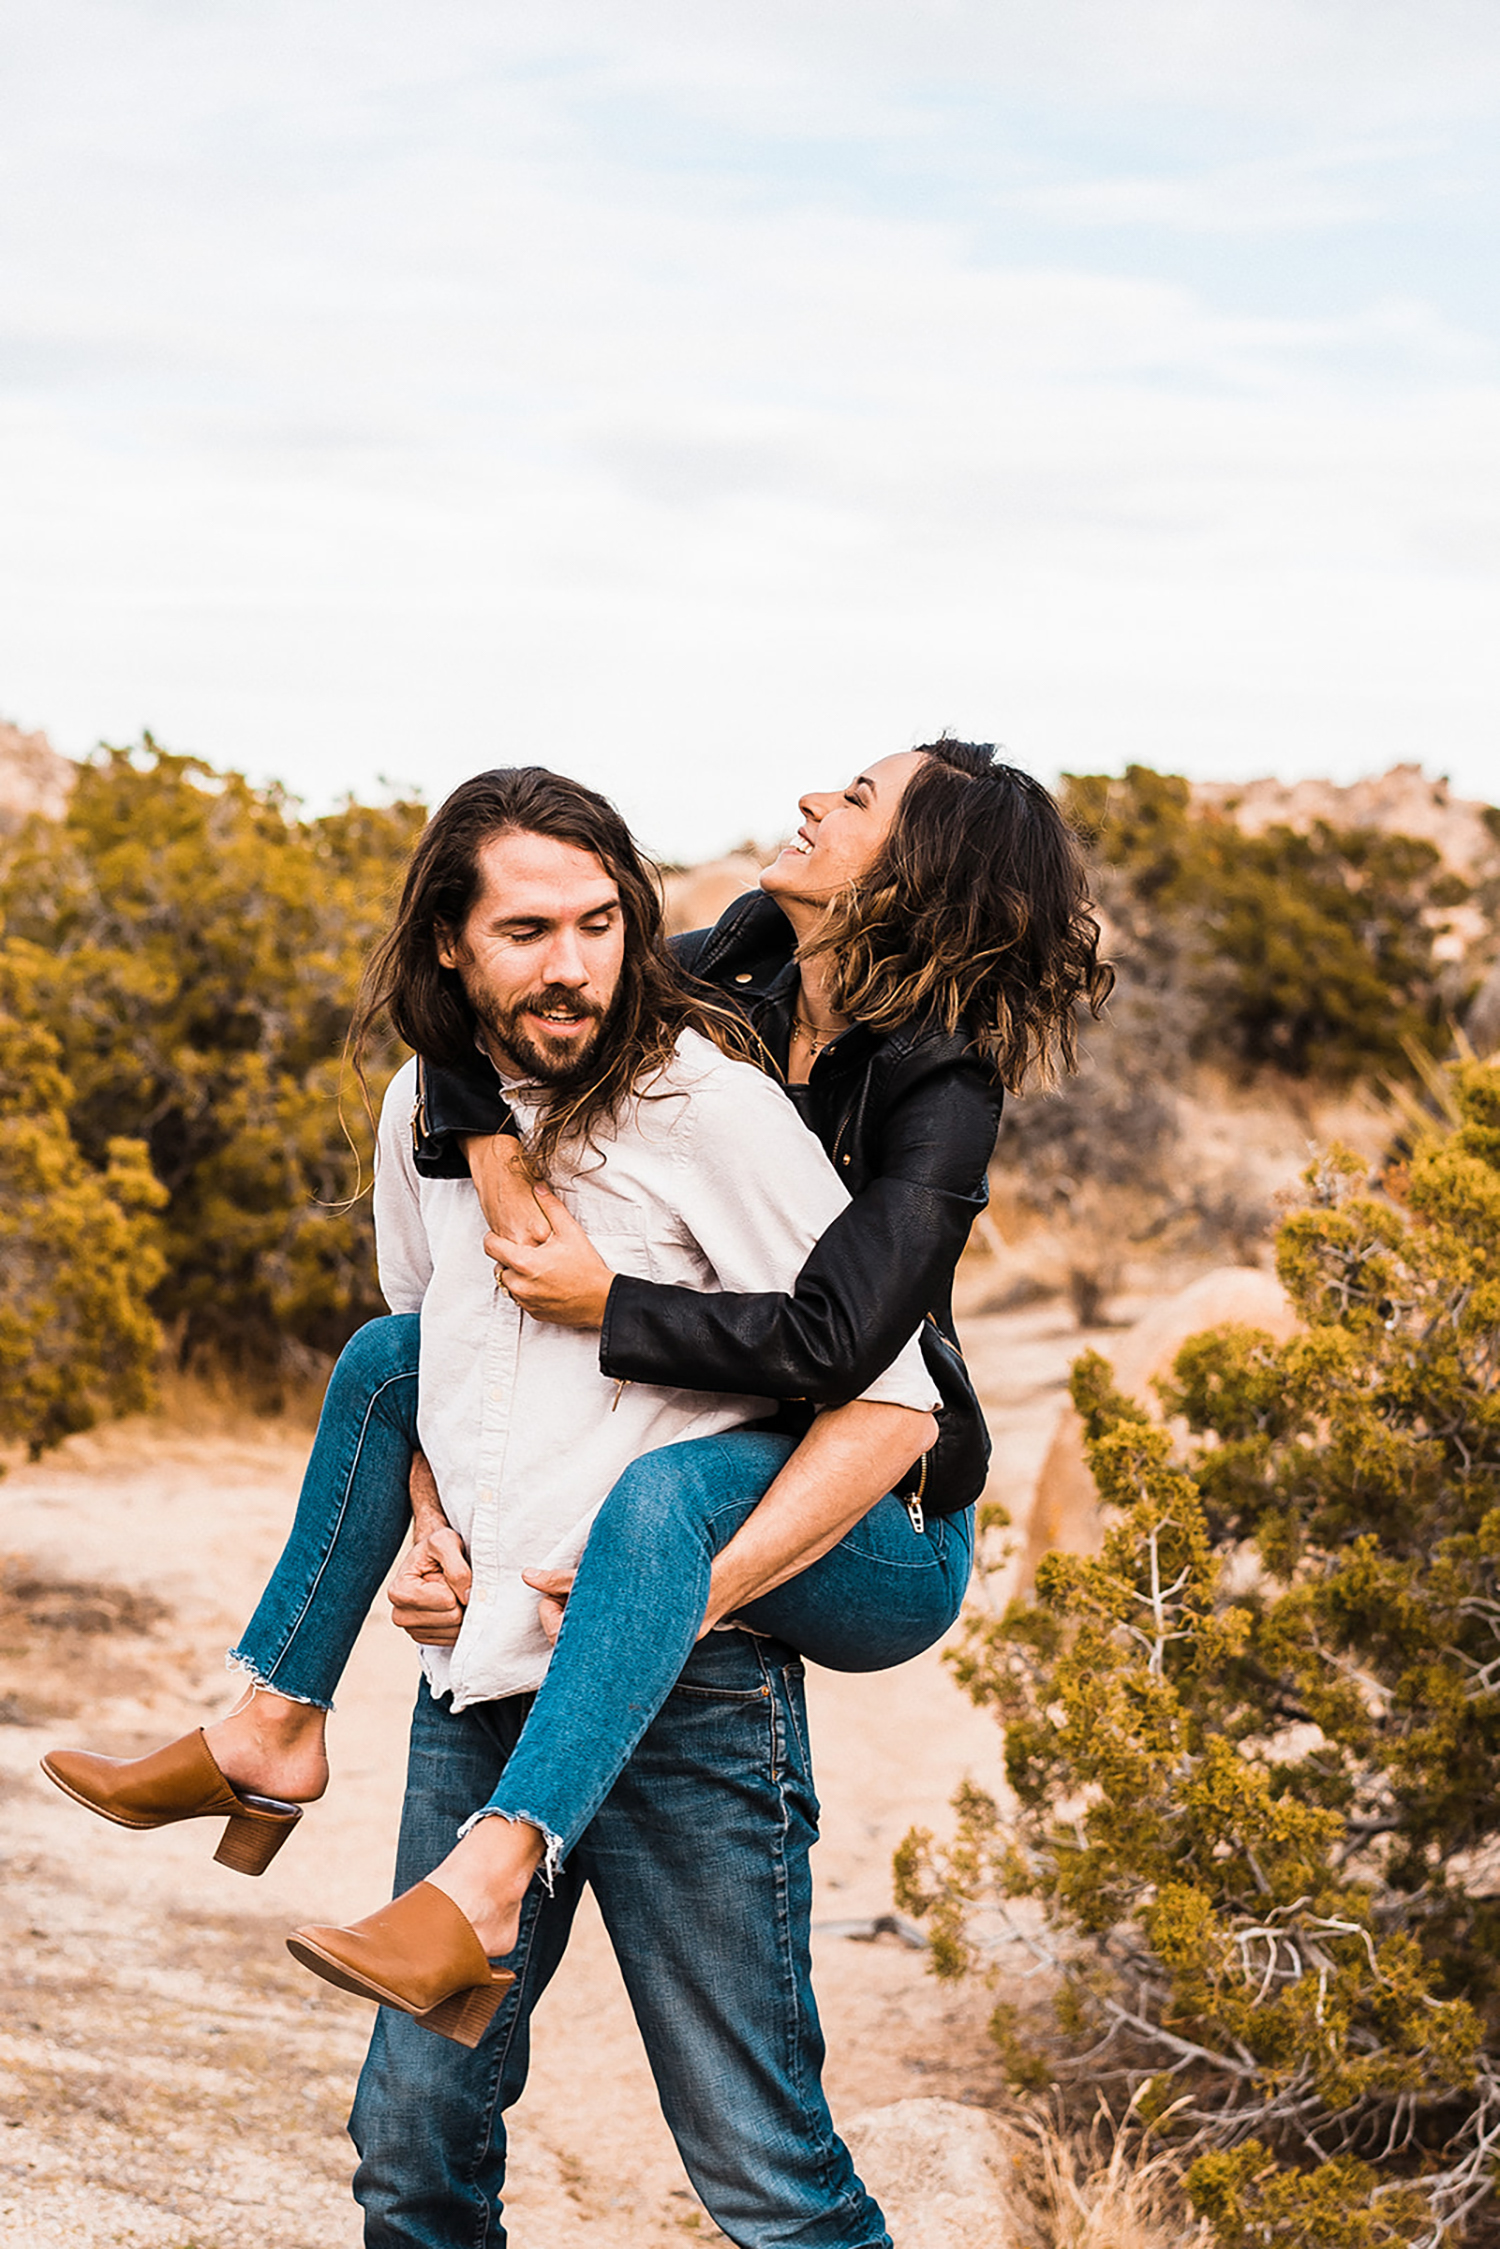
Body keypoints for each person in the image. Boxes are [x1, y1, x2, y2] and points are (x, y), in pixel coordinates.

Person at [43, 744, 1109, 2246]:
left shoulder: (918, 1085)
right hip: (499, 1649)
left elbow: (855, 1368)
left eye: (859, 799)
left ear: (913, 867)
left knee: (758, 2158)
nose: (814, 798)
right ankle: (268, 1722)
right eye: (532, 931)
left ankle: (491, 1857)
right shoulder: (711, 967)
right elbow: (496, 1066)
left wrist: (608, 1318)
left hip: (856, 1526)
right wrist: (434, 1523)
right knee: (408, 2141)